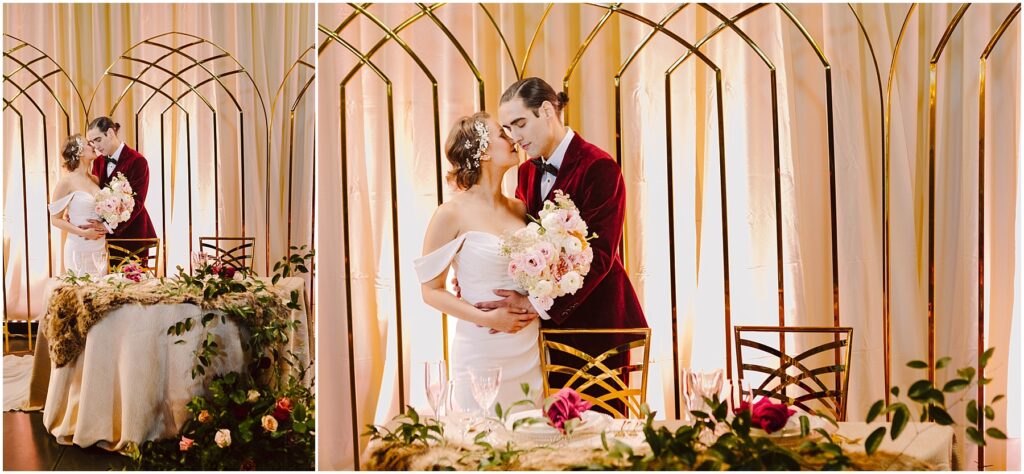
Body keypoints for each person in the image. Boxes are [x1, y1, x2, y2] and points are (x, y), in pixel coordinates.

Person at [415, 112, 542, 410]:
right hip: (482, 349)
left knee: (530, 431)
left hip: (528, 349)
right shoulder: (450, 214)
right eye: (502, 134)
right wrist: (488, 318)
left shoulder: (520, 208)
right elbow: (430, 291)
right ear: (483, 151)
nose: (512, 138)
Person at [82, 117, 157, 256]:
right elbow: (95, 194)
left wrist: (107, 226)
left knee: (133, 271)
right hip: (105, 239)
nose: (96, 146)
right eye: (92, 142)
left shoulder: (138, 161)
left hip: (134, 236)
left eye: (98, 140)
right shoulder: (98, 162)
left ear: (110, 133)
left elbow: (137, 202)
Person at [49, 134, 107, 275]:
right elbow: (55, 220)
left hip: (100, 248)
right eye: (88, 143)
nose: (93, 145)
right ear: (79, 152)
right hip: (79, 248)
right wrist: (84, 232)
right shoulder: (66, 182)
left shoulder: (95, 179)